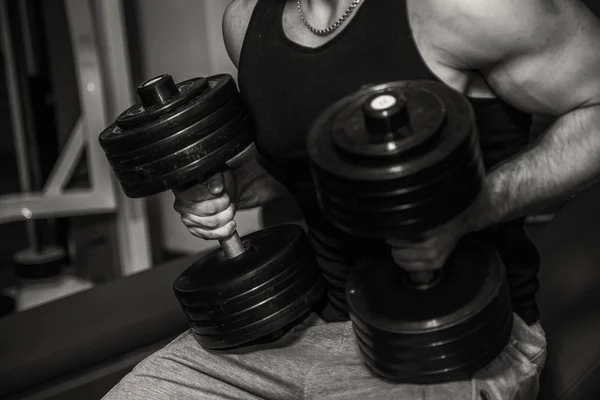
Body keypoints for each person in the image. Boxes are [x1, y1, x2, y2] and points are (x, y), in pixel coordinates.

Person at [104, 1, 600, 399]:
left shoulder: (466, 9)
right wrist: (231, 184)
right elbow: (299, 157)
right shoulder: (245, 21)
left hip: (451, 340)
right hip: (303, 324)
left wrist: (473, 209)